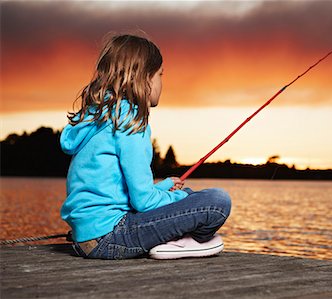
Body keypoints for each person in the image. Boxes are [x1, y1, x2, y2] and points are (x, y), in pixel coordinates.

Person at [59, 33, 231, 260]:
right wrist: (180, 200)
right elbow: (143, 202)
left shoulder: (97, 119)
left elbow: (120, 193)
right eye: (160, 75)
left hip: (86, 238)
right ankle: (178, 243)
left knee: (187, 195)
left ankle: (174, 236)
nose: (162, 82)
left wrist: (165, 187)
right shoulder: (130, 122)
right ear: (143, 78)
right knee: (217, 202)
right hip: (111, 237)